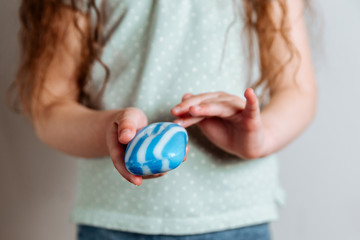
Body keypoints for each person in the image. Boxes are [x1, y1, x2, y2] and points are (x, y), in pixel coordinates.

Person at [10, 0, 317, 239]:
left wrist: (260, 139)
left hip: (236, 217)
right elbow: (50, 108)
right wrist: (110, 128)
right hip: (114, 219)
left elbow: (297, 91)